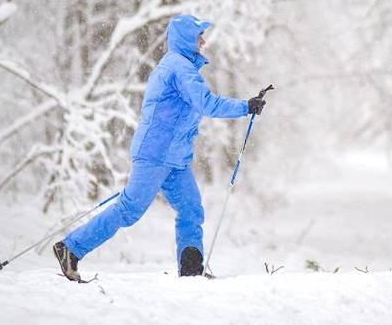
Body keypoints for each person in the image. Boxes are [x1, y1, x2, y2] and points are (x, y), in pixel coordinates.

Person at [53, 14, 266, 280]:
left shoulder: (180, 66)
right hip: (155, 154)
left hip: (175, 158)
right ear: (187, 39)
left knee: (191, 209)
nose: (203, 40)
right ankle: (71, 249)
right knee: (129, 209)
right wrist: (245, 107)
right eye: (199, 35)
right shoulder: (179, 68)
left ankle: (191, 271)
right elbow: (206, 103)